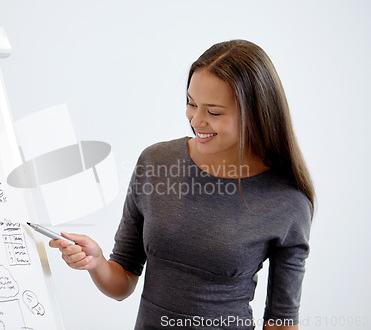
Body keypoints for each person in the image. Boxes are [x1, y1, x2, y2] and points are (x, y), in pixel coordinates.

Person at [50, 39, 314, 330]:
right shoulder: (155, 162)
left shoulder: (287, 200)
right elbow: (122, 282)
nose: (196, 120)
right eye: (191, 104)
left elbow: (282, 321)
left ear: (255, 113)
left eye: (213, 112)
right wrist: (96, 262)